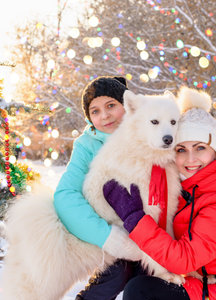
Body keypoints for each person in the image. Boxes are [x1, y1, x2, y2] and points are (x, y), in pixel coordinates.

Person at [103, 87, 216, 299]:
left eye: (200, 147)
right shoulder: (187, 188)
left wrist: (135, 219)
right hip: (205, 287)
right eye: (181, 150)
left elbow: (184, 259)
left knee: (141, 291)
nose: (190, 159)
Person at [53, 76, 144, 300]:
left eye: (111, 105)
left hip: (150, 231)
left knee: (145, 282)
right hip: (110, 229)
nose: (104, 116)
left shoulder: (148, 132)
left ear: (127, 105)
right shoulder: (87, 145)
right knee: (116, 273)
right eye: (95, 111)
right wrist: (108, 237)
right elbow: (65, 196)